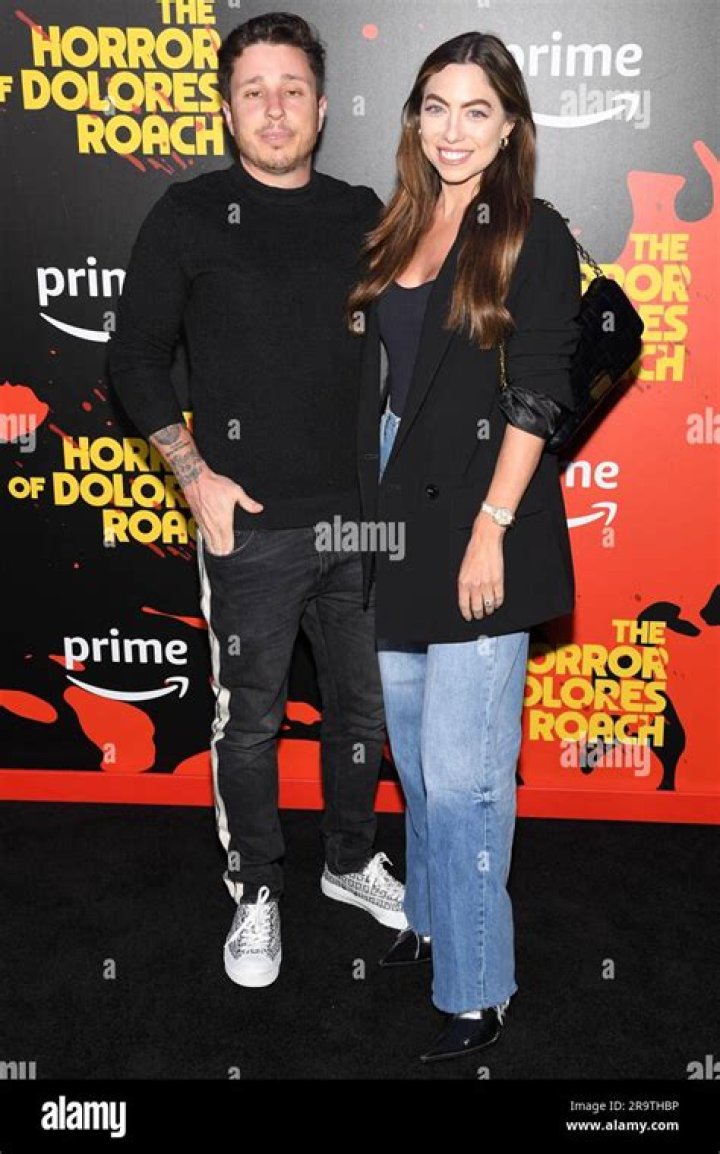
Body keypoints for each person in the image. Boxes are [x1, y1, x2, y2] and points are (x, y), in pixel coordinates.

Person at [108, 12, 407, 991]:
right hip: (251, 524)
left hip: (360, 517)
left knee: (362, 710)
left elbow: (427, 333)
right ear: (228, 112)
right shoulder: (189, 215)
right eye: (254, 92)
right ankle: (257, 887)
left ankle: (349, 859)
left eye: (292, 90)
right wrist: (195, 476)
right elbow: (134, 359)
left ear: (322, 107)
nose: (275, 110)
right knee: (251, 721)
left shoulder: (363, 211)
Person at [349, 31, 582, 1061]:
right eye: (435, 107)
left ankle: (479, 985)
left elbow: (538, 394)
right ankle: (433, 917)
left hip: (484, 509)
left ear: (510, 124)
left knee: (467, 773)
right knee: (413, 754)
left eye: (476, 109)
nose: (452, 130)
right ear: (414, 118)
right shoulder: (397, 223)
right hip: (393, 504)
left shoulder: (534, 231)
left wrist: (492, 530)